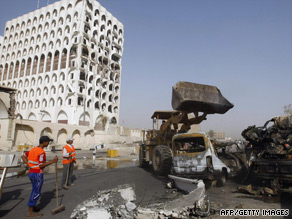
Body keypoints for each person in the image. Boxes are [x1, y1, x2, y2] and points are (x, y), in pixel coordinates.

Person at [21, 136, 58, 218]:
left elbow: (23, 156)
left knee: (34, 190)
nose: (48, 143)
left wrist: (29, 165)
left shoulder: (33, 149)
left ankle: (33, 207)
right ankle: (30, 212)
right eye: (48, 142)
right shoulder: (41, 152)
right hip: (37, 174)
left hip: (31, 173)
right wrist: (53, 161)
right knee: (36, 192)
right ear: (44, 142)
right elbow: (41, 166)